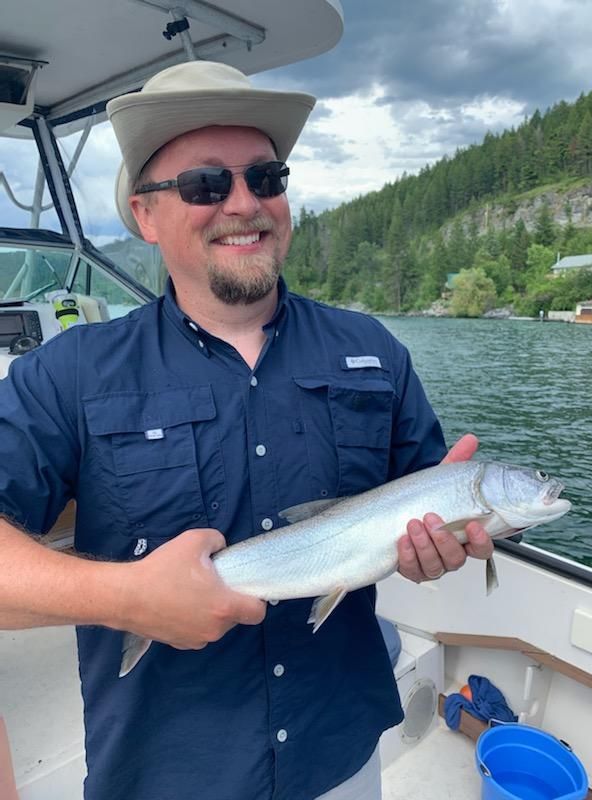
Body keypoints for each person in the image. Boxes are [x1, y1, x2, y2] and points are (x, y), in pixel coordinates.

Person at [0, 61, 493, 800]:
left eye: (266, 178)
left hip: (341, 759)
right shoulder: (68, 375)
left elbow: (426, 516)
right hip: (167, 775)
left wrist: (441, 547)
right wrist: (126, 598)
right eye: (206, 185)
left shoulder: (376, 354)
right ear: (145, 214)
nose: (245, 203)